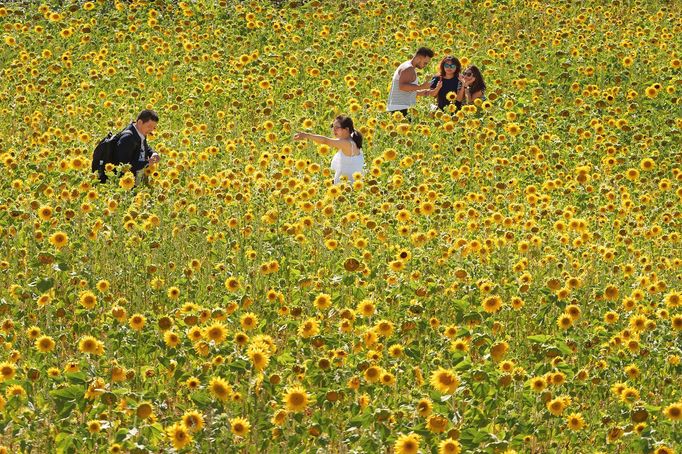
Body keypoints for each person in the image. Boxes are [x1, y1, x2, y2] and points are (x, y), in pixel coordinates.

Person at [294, 115, 364, 185]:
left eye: (337, 127)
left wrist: (306, 135)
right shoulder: (353, 139)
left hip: (345, 186)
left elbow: (325, 141)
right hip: (352, 184)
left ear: (346, 129)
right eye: (333, 127)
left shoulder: (346, 143)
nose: (334, 130)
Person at [386, 47, 441, 119]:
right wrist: (422, 86)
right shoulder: (408, 68)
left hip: (400, 107)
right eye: (425, 63)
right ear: (419, 57)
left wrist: (428, 92)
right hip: (400, 109)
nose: (425, 65)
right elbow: (402, 87)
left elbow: (407, 91)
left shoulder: (409, 67)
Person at [113, 109, 160, 184]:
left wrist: (153, 153)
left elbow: (144, 146)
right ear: (140, 122)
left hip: (137, 178)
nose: (151, 130)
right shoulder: (128, 138)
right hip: (126, 182)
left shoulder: (140, 131)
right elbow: (124, 164)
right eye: (149, 126)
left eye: (153, 127)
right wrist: (147, 163)